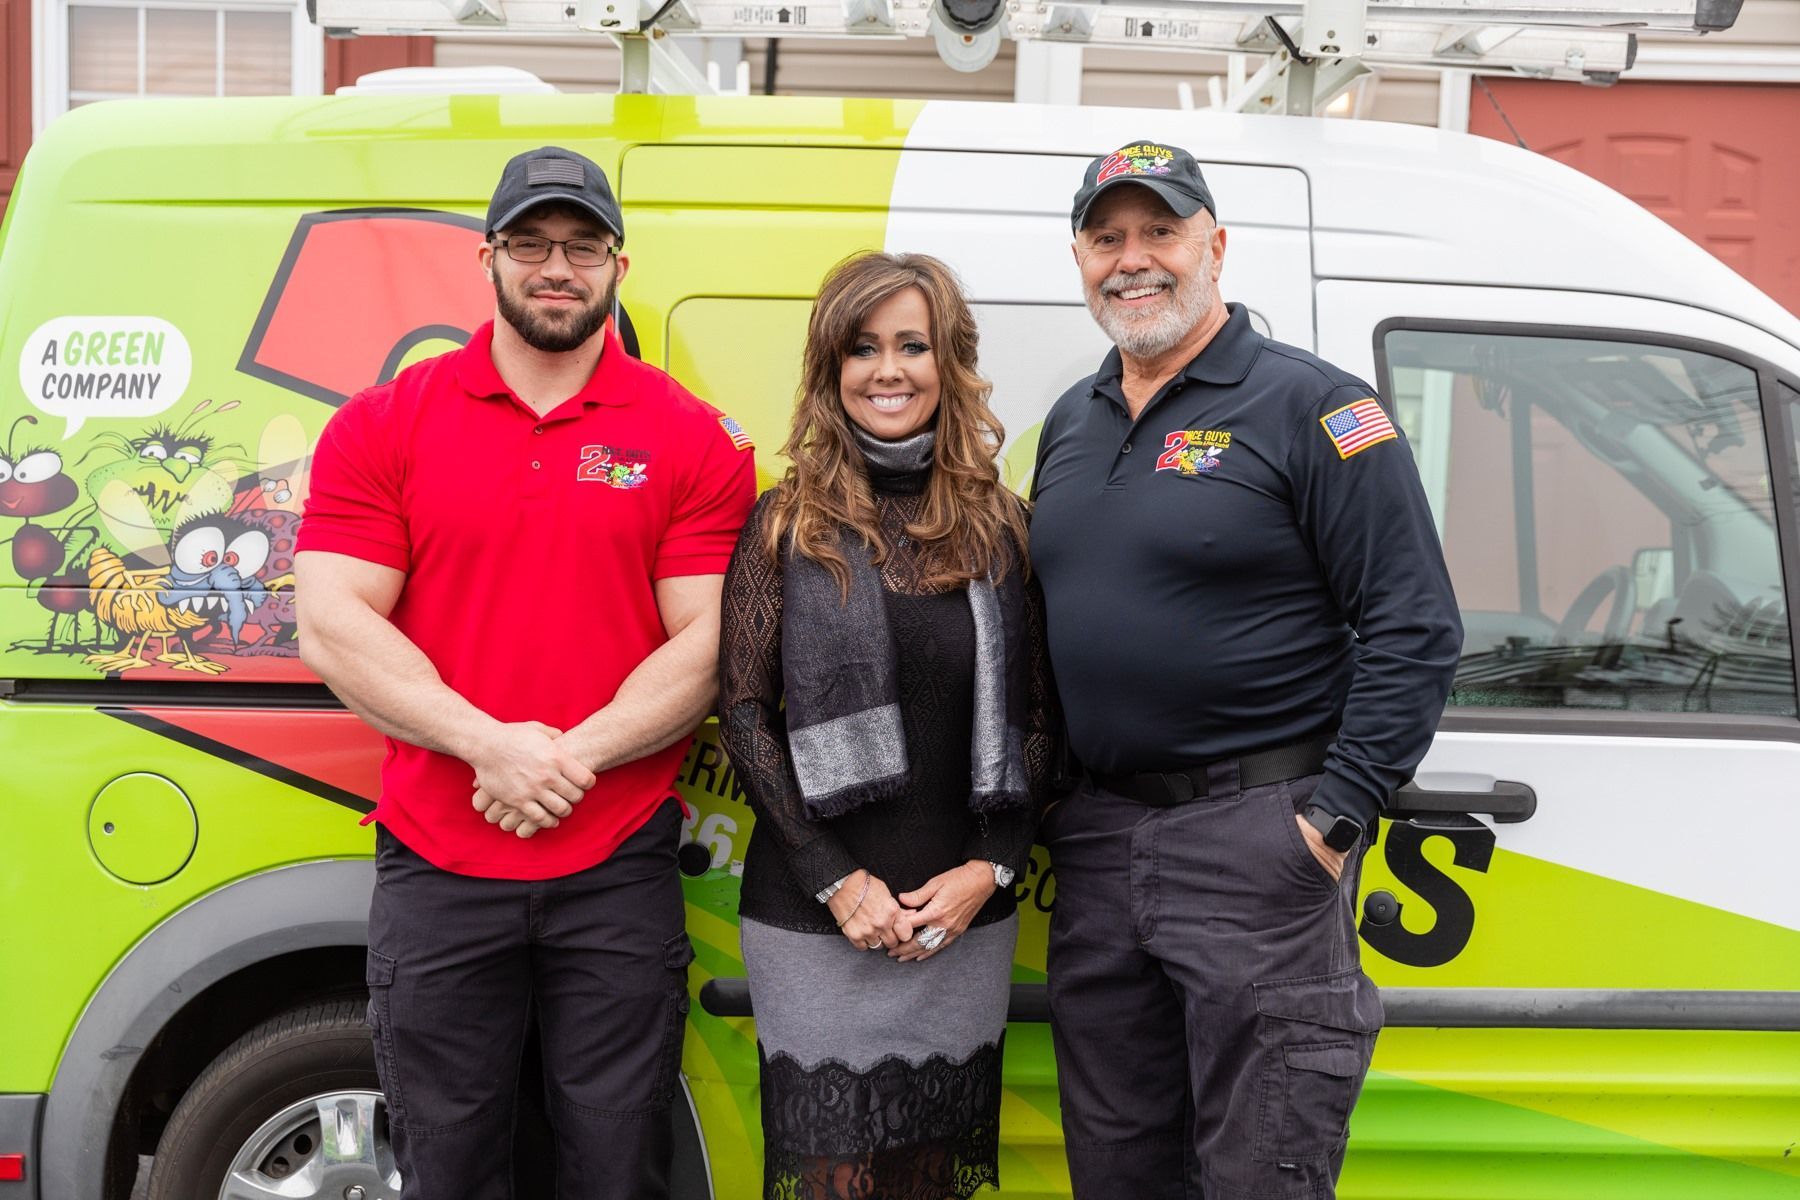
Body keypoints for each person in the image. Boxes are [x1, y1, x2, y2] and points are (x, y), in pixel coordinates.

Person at [294, 145, 757, 1199]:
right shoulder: (386, 422)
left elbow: (712, 641)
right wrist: (486, 744)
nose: (559, 266)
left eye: (582, 246)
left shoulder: (689, 439)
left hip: (616, 869)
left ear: (618, 268)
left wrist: (567, 759)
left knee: (615, 1166)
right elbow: (329, 623)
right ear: (488, 258)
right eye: (533, 244)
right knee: (450, 1166)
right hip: (437, 867)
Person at [1028, 141, 1463, 1200]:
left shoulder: (1313, 408)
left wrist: (1331, 823)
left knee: (1262, 1174)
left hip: (1255, 844)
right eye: (1106, 238)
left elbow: (1416, 625)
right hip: (1099, 848)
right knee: (1117, 1174)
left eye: (1160, 232)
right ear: (1081, 260)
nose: (1133, 260)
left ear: (1215, 246)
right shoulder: (1070, 425)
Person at [717, 251, 1057, 1200]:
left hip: (965, 919)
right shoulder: (787, 525)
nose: (888, 369)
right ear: (831, 371)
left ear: (950, 362)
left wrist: (987, 870)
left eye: (913, 344)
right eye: (862, 348)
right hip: (815, 918)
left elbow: (1040, 723)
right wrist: (836, 880)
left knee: (927, 1177)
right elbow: (742, 714)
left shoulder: (1002, 526)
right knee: (837, 1178)